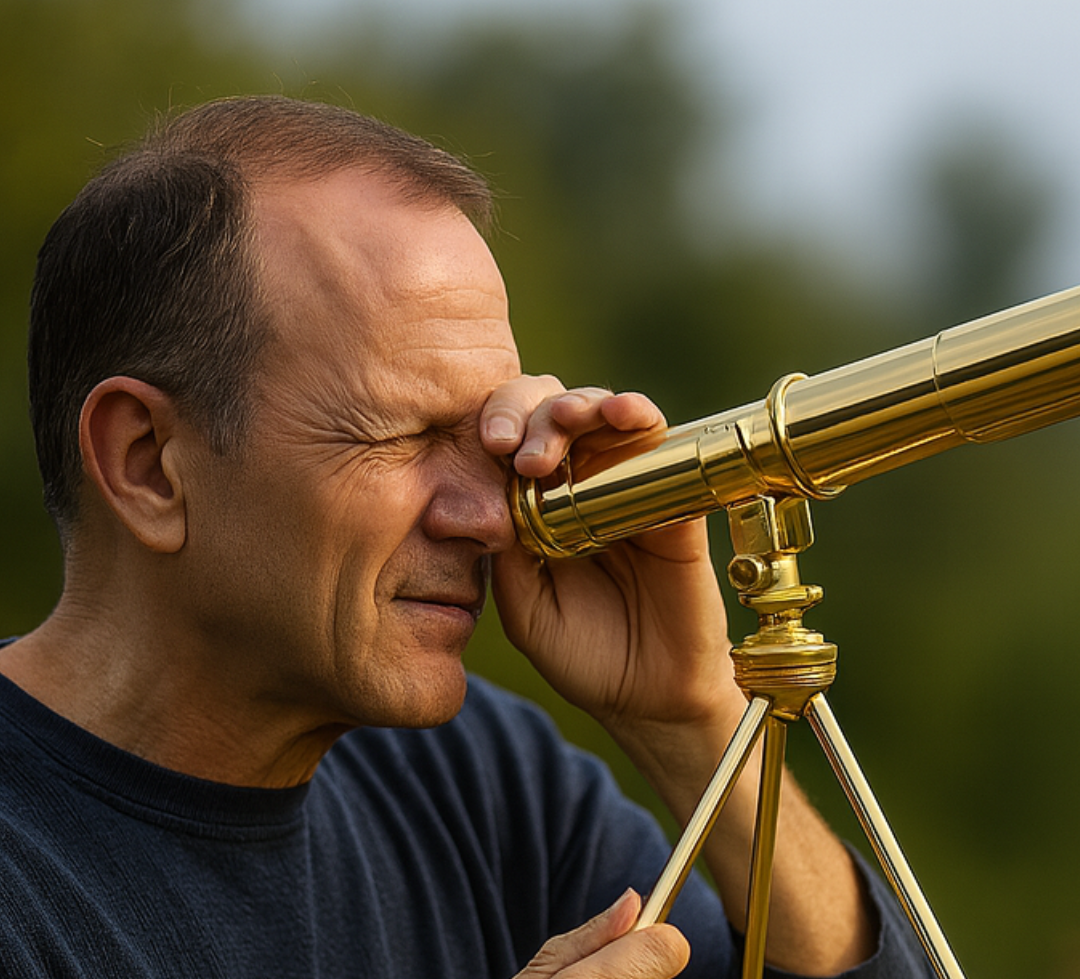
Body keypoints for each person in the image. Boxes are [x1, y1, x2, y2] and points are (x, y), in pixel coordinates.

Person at [0, 95, 931, 978]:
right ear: (147, 463)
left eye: (488, 438)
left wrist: (692, 721)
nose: (491, 519)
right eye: (402, 436)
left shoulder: (484, 782)